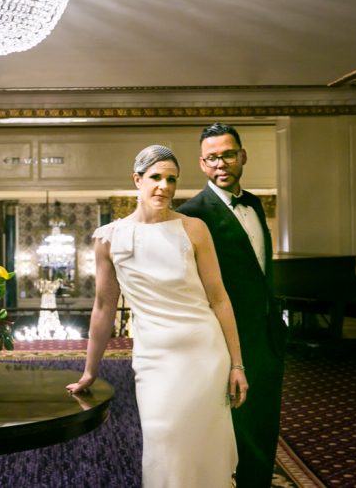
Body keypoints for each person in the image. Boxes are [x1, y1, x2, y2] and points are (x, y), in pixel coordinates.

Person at [67, 144, 248, 487]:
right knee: (163, 440)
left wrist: (237, 364)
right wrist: (90, 371)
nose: (164, 186)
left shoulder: (194, 229)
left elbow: (219, 299)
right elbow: (104, 307)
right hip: (155, 358)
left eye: (172, 180)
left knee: (202, 446)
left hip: (204, 353)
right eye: (155, 178)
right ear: (137, 180)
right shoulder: (108, 238)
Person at [177, 123, 287, 488]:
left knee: (265, 422)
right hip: (224, 341)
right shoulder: (192, 213)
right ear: (202, 164)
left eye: (227, 154)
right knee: (232, 430)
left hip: (267, 336)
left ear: (242, 156)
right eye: (212, 158)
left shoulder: (255, 203)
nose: (221, 163)